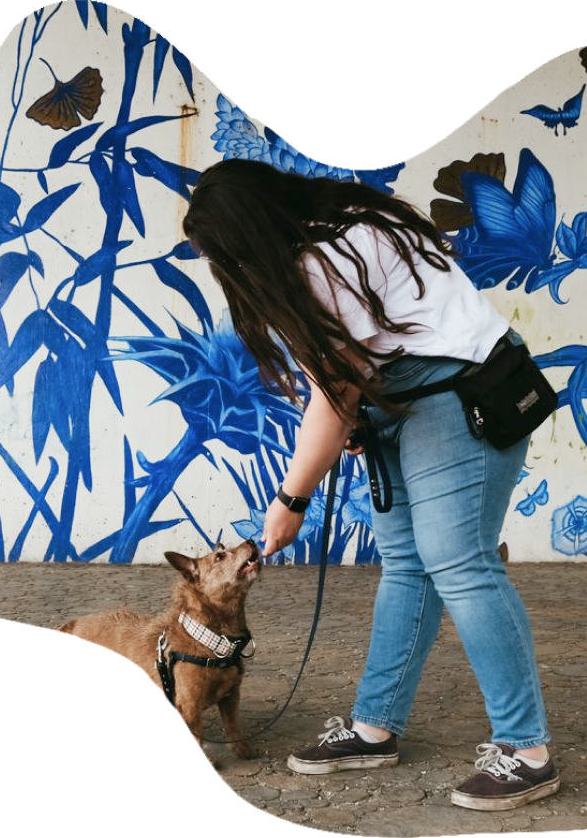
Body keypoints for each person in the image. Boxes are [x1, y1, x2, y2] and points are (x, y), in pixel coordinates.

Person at [182, 158, 559, 811]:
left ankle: (527, 753)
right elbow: (342, 383)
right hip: (407, 395)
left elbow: (332, 397)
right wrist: (359, 418)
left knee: (459, 562)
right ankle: (373, 727)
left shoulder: (331, 256)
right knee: (408, 564)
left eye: (231, 255)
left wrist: (290, 500)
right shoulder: (341, 225)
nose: (234, 272)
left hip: (462, 390)